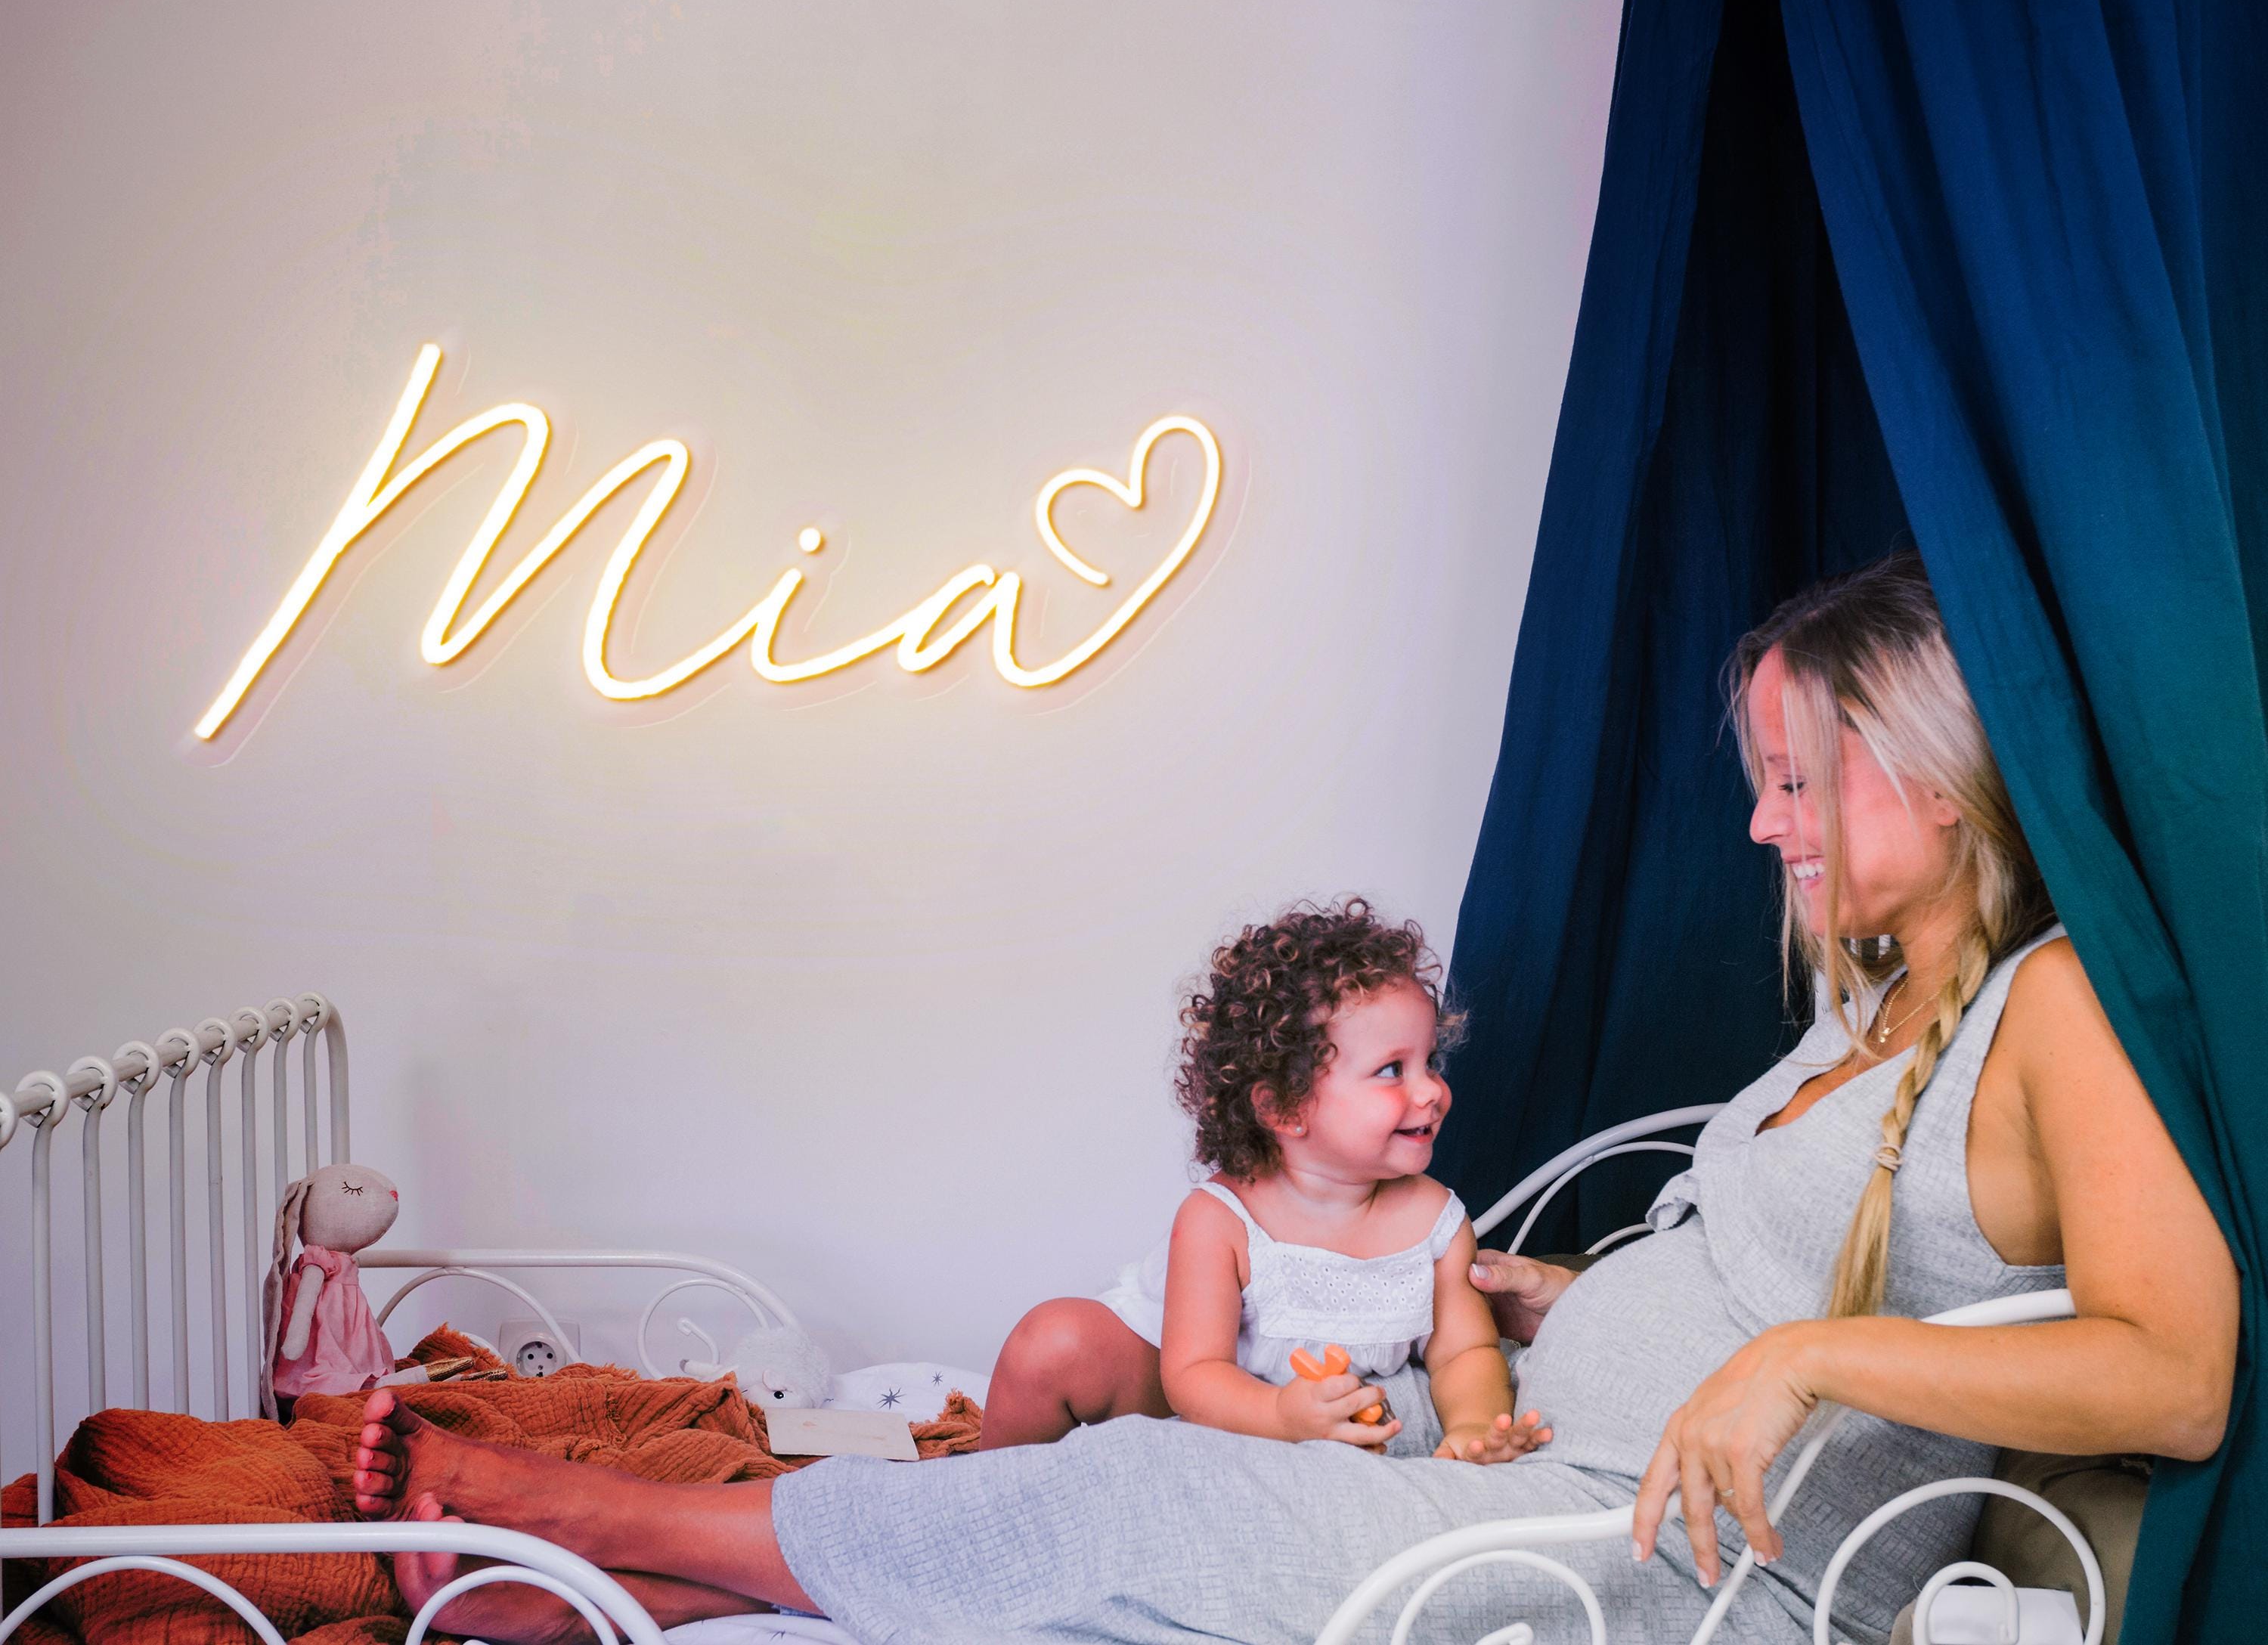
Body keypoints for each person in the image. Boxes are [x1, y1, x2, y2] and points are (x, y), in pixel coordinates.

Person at [349, 552, 2238, 1645]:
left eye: (1794, 779)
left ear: (1925, 765)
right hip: (1526, 1459)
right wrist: (1552, 1297)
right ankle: (660, 1589)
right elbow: (1763, 1269)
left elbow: (2174, 1372)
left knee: (1137, 1493)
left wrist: (1802, 1360)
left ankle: (592, 1522)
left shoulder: (2053, 1008)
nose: (1760, 825)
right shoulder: (1871, 1003)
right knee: (1131, 1477)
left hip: (1659, 1562)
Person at [979, 897, 1543, 1467]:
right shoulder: (1220, 1219)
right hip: (1168, 1373)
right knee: (1050, 1344)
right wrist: (1280, 1416)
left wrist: (1474, 1427)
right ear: (1284, 1108)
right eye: (1392, 1069)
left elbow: (1465, 1350)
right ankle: (982, 1490)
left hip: (1300, 1407)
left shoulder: (1435, 1222)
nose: (1432, 1091)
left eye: (1431, 1062)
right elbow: (1193, 1374)